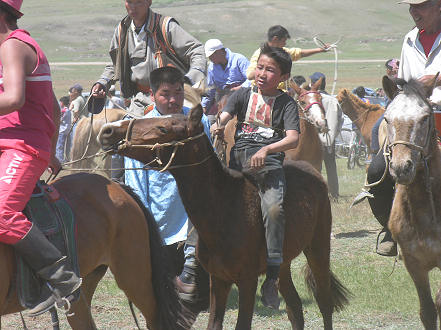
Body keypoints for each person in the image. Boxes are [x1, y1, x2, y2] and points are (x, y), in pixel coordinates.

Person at [0, 0, 81, 316]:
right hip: (16, 145)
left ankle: (60, 279)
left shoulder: (13, 47)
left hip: (20, 148)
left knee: (2, 213)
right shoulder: (15, 47)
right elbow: (52, 106)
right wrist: (50, 149)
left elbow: (15, 98)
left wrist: (42, 149)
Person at [211, 44, 300, 310]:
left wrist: (267, 148)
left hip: (269, 168)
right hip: (237, 166)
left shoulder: (286, 104)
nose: (262, 73)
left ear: (283, 77)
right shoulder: (241, 95)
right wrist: (218, 125)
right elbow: (224, 116)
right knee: (208, 202)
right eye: (260, 67)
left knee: (273, 209)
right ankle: (194, 265)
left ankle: (272, 277)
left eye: (270, 70)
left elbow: (293, 138)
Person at [124, 67, 211, 302]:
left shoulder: (197, 120)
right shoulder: (139, 125)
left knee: (198, 296)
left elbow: (207, 164)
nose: (173, 100)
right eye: (165, 94)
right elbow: (136, 178)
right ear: (152, 95)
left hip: (190, 209)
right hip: (155, 208)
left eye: (179, 92)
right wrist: (145, 218)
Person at [365, 0, 441, 257]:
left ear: (438, 5)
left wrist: (436, 80)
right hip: (413, 114)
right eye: (411, 7)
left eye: (420, 6)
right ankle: (391, 228)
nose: (414, 12)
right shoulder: (410, 38)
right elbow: (405, 81)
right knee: (378, 167)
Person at [91, 0, 207, 118]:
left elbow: (196, 50)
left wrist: (190, 78)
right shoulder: (122, 30)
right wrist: (102, 82)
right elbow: (116, 64)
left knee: (198, 127)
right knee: (126, 133)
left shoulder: (165, 26)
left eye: (139, 2)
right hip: (141, 101)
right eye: (129, 2)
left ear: (149, 2)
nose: (133, 7)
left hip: (173, 98)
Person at [246, 25, 329, 90]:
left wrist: (320, 50)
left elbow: (300, 53)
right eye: (284, 41)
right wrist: (264, 69)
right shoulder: (259, 54)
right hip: (262, 93)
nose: (285, 43)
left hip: (280, 93)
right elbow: (250, 76)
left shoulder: (283, 52)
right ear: (275, 39)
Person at [309, 72, 343, 199]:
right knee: (331, 166)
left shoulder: (311, 99)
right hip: (330, 138)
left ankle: (316, 193)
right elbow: (340, 120)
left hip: (313, 139)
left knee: (314, 166)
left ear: (312, 84)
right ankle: (334, 193)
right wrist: (334, 134)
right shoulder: (333, 100)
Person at [201, 38, 250, 124]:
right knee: (208, 120)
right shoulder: (211, 68)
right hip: (222, 100)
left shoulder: (239, 59)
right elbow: (210, 90)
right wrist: (204, 107)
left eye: (212, 55)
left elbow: (251, 79)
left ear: (219, 51)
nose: (210, 59)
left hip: (242, 97)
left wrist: (239, 88)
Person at [370, 59, 400, 154]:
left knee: (375, 130)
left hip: (392, 110)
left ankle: (375, 156)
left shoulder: (391, 79)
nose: (386, 71)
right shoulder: (402, 77)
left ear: (391, 69)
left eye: (387, 68)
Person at [55, 96, 71, 163]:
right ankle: (67, 158)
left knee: (59, 146)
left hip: (62, 130)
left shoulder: (64, 110)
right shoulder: (68, 110)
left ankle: (60, 160)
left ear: (62, 103)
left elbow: (60, 119)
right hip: (67, 130)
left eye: (60, 102)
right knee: (66, 146)